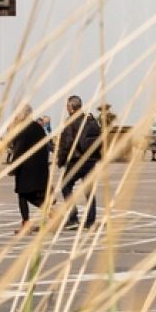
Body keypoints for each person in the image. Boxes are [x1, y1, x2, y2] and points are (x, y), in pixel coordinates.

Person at [55, 95, 102, 229]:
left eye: (67, 106)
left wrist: (61, 160)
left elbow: (67, 143)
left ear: (71, 108)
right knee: (89, 190)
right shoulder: (91, 119)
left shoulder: (71, 121)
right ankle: (91, 220)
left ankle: (73, 216)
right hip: (91, 159)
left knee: (65, 185)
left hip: (76, 160)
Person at [6, 105, 50, 233]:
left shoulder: (23, 129)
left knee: (23, 194)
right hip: (39, 167)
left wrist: (13, 167)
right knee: (31, 195)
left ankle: (26, 223)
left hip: (26, 168)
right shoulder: (38, 127)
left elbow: (18, 150)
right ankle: (51, 214)